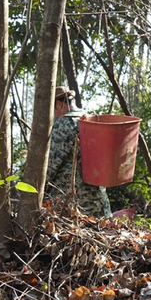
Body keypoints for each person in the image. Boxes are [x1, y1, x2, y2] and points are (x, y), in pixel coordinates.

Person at [46, 86, 111, 218]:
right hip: (99, 201)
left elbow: (50, 166)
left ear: (58, 104)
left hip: (74, 204)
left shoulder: (64, 124)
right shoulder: (91, 120)